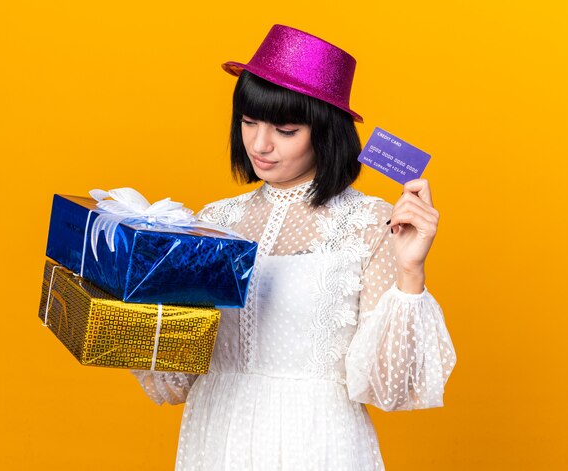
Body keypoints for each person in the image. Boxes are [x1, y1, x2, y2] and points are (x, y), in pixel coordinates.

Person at [132, 24, 456, 470]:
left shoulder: (370, 223)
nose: (260, 145)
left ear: (325, 132)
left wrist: (410, 273)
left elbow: (389, 388)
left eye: (285, 130)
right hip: (217, 435)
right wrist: (133, 288)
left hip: (317, 441)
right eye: (248, 122)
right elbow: (174, 382)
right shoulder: (214, 221)